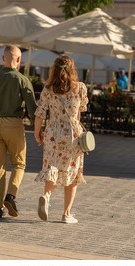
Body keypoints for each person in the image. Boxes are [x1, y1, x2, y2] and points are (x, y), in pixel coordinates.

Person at [0, 45, 37, 219]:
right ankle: (10, 195)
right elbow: (33, 110)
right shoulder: (22, 80)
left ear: (3, 58)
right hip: (14, 125)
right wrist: (39, 130)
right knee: (19, 164)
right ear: (18, 60)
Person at [34, 55, 89, 224]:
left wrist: (37, 133)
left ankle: (47, 196)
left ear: (54, 70)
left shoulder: (48, 89)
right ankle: (66, 214)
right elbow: (80, 112)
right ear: (72, 70)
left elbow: (40, 115)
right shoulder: (80, 88)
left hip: (52, 132)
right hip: (72, 134)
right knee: (71, 172)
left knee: (52, 165)